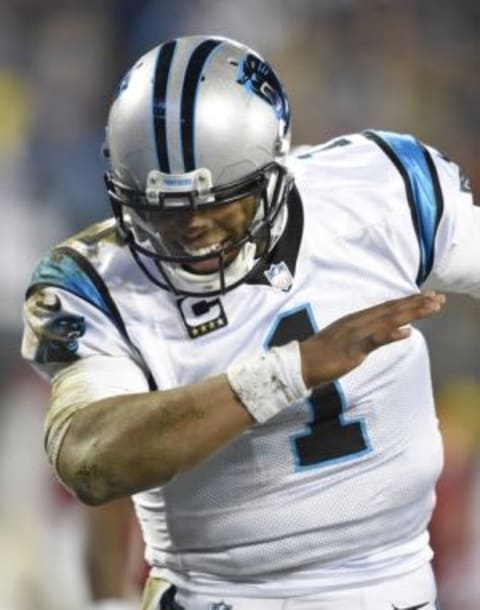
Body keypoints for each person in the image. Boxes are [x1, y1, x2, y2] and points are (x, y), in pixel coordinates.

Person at [20, 35, 478, 610]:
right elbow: (90, 457)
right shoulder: (97, 280)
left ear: (274, 167)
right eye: (164, 207)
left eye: (217, 201)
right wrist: (290, 371)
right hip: (221, 598)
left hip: (398, 585)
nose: (191, 226)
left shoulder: (378, 188)